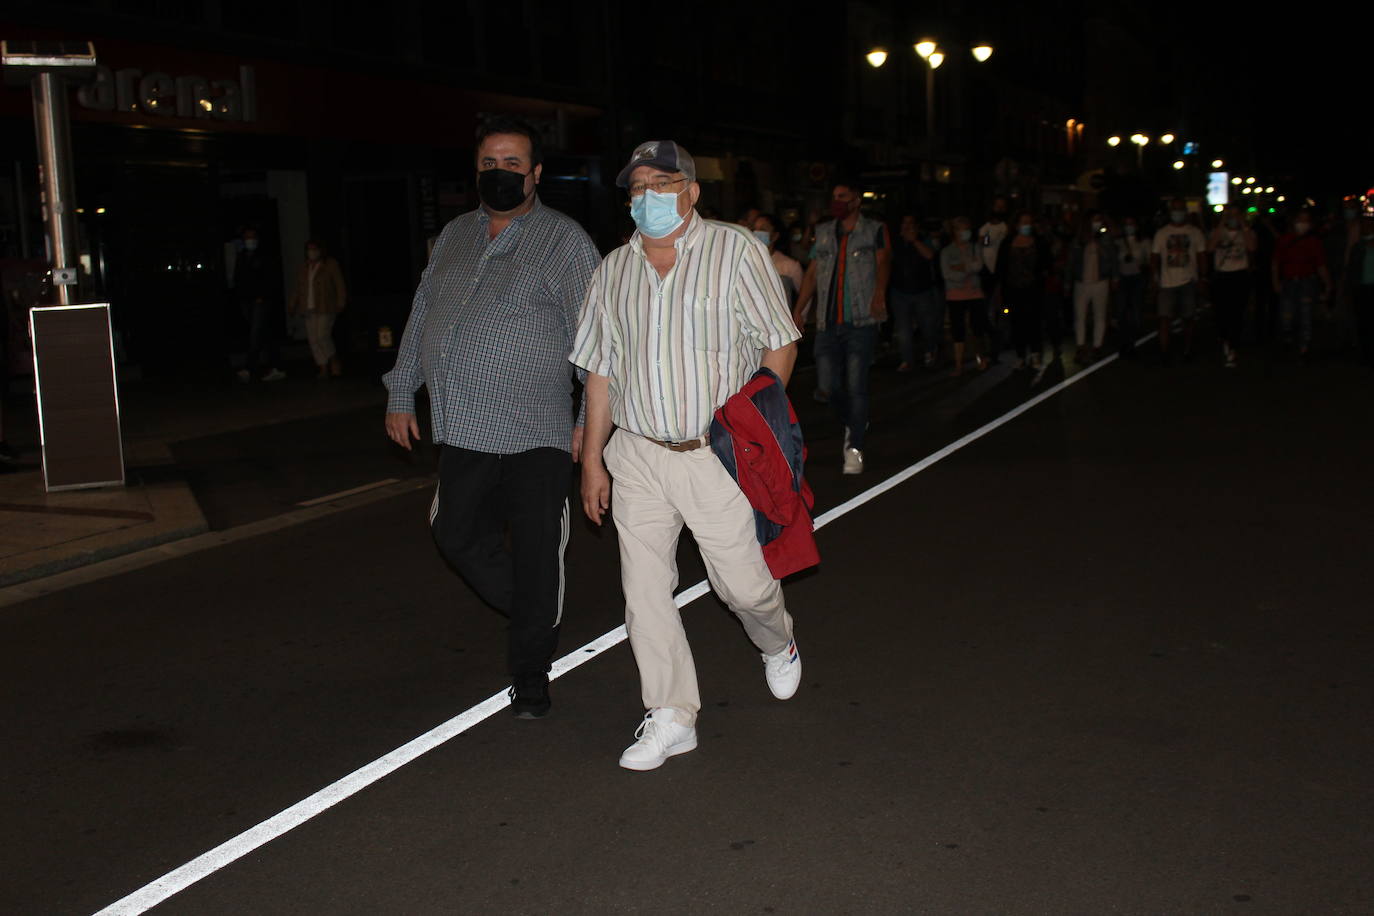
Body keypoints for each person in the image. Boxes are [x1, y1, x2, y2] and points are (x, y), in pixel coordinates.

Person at [571, 139, 801, 771]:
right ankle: (672, 713)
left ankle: (776, 641)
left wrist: (760, 424)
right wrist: (593, 461)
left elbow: (778, 343)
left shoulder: (735, 254)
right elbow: (598, 374)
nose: (649, 197)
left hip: (716, 454)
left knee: (745, 589)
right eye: (638, 187)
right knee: (643, 590)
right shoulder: (612, 270)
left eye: (664, 184)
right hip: (638, 454)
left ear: (693, 192)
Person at [383, 116, 600, 719]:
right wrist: (402, 391)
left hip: (540, 435)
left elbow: (596, 339)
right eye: (488, 164)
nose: (499, 173)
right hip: (464, 430)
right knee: (453, 534)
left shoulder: (564, 242)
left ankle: (530, 674)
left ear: (534, 174)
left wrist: (590, 420)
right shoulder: (453, 235)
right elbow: (423, 313)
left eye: (511, 164)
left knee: (536, 554)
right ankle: (536, 610)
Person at [793, 180, 890, 475]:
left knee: (856, 384)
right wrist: (799, 310)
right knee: (826, 386)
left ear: (856, 200)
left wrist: (879, 294)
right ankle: (855, 420)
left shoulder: (874, 230)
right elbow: (811, 274)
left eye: (843, 197)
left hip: (861, 321)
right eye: (834, 196)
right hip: (827, 322)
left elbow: (884, 263)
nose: (837, 201)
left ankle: (854, 447)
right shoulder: (823, 233)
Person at [1151, 199, 1208, 362]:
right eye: (1174, 210)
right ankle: (1164, 352)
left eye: (1180, 210)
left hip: (1188, 281)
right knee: (1164, 317)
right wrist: (1154, 278)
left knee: (1188, 317)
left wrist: (1203, 278)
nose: (1177, 213)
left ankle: (1187, 349)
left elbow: (1201, 255)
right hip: (1167, 282)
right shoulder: (1161, 233)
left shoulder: (1195, 232)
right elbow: (1154, 257)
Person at [1271, 209, 1330, 362]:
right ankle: (1287, 338)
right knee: (1286, 316)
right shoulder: (1284, 240)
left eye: (1306, 221)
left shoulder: (1314, 242)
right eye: (1300, 220)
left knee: (1306, 316)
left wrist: (1327, 284)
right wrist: (1276, 282)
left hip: (1307, 282)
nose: (1303, 224)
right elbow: (1276, 263)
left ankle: (1305, 346)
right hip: (1289, 282)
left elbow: (1320, 265)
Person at [997, 211, 1051, 369]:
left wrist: (1042, 274)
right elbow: (1001, 268)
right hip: (1013, 290)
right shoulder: (1007, 242)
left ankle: (1035, 354)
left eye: (1029, 222)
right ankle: (1020, 355)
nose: (1026, 226)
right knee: (1016, 323)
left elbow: (1047, 263)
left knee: (1034, 322)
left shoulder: (1039, 242)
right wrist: (1000, 290)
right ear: (1016, 225)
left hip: (1033, 290)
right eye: (1023, 222)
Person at [287, 239, 347, 378]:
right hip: (308, 307)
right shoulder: (304, 267)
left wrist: (341, 301)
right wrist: (292, 304)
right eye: (309, 249)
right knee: (313, 339)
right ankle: (323, 366)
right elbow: (298, 288)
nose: (312, 252)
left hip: (326, 306)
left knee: (322, 336)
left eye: (314, 249)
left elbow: (339, 284)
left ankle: (333, 360)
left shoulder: (330, 264)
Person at [1207, 205, 1257, 368]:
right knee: (1222, 311)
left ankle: (1233, 346)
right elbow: (1210, 247)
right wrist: (1222, 222)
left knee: (1237, 312)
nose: (1232, 218)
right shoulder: (1218, 232)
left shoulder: (1246, 232)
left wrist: (1243, 224)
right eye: (1230, 215)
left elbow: (1252, 247)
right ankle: (1224, 337)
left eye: (1236, 215)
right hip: (1222, 275)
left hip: (1239, 275)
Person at [233, 227, 286, 382]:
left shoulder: (264, 256)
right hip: (247, 301)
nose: (250, 240)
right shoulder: (242, 256)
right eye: (247, 237)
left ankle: (250, 368)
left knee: (255, 334)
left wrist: (262, 295)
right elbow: (239, 278)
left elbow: (270, 277)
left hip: (260, 301)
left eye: (253, 237)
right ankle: (277, 366)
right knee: (264, 332)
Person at [889, 213, 940, 371]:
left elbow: (930, 255)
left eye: (911, 224)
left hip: (922, 291)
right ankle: (907, 359)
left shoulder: (924, 240)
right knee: (904, 329)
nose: (907, 227)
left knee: (927, 326)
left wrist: (915, 241)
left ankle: (930, 350)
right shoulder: (895, 242)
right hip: (899, 291)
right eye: (904, 224)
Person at [941, 216, 991, 376]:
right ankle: (958, 365)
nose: (966, 232)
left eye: (967, 228)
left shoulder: (975, 247)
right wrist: (967, 269)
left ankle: (981, 358)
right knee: (958, 330)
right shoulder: (947, 251)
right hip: (955, 294)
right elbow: (947, 273)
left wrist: (961, 267)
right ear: (954, 231)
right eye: (962, 229)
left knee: (978, 327)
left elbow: (979, 266)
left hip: (975, 293)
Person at [1067, 211, 1119, 362]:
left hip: (1100, 281)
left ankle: (1097, 346)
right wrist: (1067, 281)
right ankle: (1080, 347)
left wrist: (1115, 277)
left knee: (1099, 315)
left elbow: (1114, 259)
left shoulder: (1106, 238)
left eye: (1099, 220)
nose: (1097, 223)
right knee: (1080, 316)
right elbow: (1071, 262)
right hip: (1081, 282)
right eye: (1094, 220)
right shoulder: (1079, 239)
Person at [1115, 215, 1150, 356]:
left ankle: (1132, 342)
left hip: (1137, 279)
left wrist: (1142, 266)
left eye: (1132, 224)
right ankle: (1124, 341)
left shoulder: (1144, 242)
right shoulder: (1118, 242)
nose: (1129, 227)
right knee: (1121, 311)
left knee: (1135, 310)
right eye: (1126, 224)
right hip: (1123, 278)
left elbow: (1149, 261)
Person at [752, 212, 803, 305]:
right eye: (755, 229)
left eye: (762, 229)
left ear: (775, 236)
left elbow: (803, 297)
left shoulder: (790, 265)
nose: (757, 233)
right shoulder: (745, 262)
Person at [1348, 215, 1374, 367]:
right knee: (1363, 322)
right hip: (1362, 289)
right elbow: (1352, 269)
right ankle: (1365, 354)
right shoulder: (1358, 247)